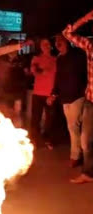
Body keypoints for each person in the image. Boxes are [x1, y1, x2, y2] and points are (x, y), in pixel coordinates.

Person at [62, 9, 93, 184]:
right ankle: (88, 173)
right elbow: (67, 33)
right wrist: (85, 18)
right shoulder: (90, 46)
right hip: (91, 101)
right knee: (86, 141)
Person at [47, 35, 87, 168]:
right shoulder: (60, 59)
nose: (58, 43)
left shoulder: (78, 55)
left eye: (61, 41)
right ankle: (79, 154)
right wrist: (54, 93)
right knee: (73, 127)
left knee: (73, 126)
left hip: (77, 96)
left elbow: (85, 73)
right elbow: (58, 78)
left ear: (67, 42)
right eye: (56, 41)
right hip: (65, 98)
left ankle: (75, 156)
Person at [30, 38, 56, 150]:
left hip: (50, 94)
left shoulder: (56, 59)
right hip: (38, 93)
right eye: (43, 44)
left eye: (47, 44)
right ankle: (33, 140)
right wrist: (41, 71)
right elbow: (34, 70)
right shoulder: (36, 58)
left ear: (50, 46)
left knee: (50, 119)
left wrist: (55, 94)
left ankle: (47, 139)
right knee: (36, 118)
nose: (46, 46)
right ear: (40, 46)